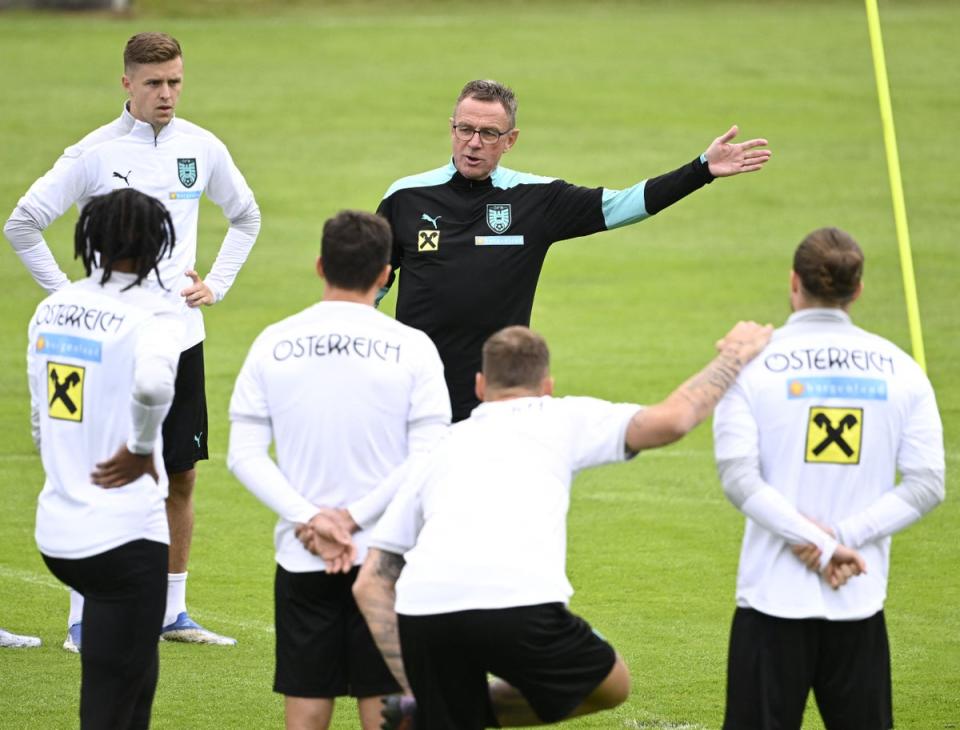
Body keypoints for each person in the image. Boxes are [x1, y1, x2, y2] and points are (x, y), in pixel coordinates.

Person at [346, 321, 773, 730]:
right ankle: (452, 711)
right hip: (518, 607)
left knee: (443, 716)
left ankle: (426, 712)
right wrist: (734, 355)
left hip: (426, 612)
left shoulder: (441, 446)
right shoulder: (561, 417)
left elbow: (370, 583)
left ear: (480, 386)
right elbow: (673, 420)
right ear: (547, 387)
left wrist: (421, 692)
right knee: (611, 683)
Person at [4, 31, 260, 650]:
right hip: (109, 342)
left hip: (179, 336)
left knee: (180, 475)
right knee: (103, 467)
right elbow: (23, 222)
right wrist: (67, 293)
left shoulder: (202, 147)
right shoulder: (93, 153)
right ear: (126, 84)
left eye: (175, 80)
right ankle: (82, 618)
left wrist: (216, 284)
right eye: (153, 83)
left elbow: (246, 214)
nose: (166, 93)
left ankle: (173, 612)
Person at [376, 79, 772, 421]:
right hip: (416, 388)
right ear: (451, 128)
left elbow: (622, 206)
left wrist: (700, 170)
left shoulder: (536, 199)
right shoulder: (406, 197)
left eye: (489, 133)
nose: (474, 142)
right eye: (465, 129)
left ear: (510, 140)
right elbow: (370, 286)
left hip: (501, 393)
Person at [712, 227, 946, 730]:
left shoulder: (751, 365)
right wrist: (841, 541)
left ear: (793, 282)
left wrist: (817, 542)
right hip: (857, 595)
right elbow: (927, 484)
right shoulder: (902, 369)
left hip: (772, 600)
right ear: (857, 290)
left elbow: (738, 478)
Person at [226, 210, 452, 730]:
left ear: (320, 265)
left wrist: (314, 519)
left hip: (303, 553)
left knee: (306, 708)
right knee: (386, 708)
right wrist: (352, 520)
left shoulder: (273, 342)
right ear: (385, 274)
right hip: (387, 556)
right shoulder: (413, 347)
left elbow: (244, 455)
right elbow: (429, 452)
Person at [29, 188, 184, 729]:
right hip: (123, 539)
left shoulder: (53, 306)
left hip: (59, 528)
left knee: (136, 678)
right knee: (114, 698)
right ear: (155, 245)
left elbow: (38, 420)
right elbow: (152, 385)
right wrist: (141, 448)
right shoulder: (154, 314)